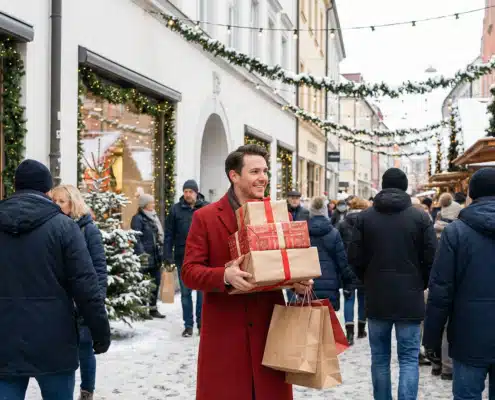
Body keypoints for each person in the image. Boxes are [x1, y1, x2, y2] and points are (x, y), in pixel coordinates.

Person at [182, 144, 312, 400]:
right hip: (225, 338)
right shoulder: (205, 217)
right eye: (254, 171)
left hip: (269, 333)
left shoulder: (279, 215)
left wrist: (298, 281)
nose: (263, 177)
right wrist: (224, 276)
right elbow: (188, 272)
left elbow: (288, 264)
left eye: (265, 171)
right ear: (234, 176)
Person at [0, 160, 110, 400]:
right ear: (48, 191)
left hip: (4, 338)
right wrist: (100, 330)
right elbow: (85, 284)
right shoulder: (64, 227)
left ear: (15, 186)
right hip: (54, 340)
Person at [348, 168, 437, 400]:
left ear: (383, 187)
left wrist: (368, 279)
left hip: (377, 295)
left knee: (380, 358)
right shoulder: (420, 218)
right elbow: (431, 259)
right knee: (409, 358)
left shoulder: (365, 218)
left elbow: (354, 257)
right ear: (405, 187)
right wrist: (420, 282)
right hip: (410, 295)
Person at [423, 168, 495, 400]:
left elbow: (440, 290)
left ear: (471, 195)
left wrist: (432, 338)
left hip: (468, 333)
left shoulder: (456, 232)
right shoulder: (456, 231)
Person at [52, 185, 107, 400]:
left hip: (83, 300)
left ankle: (87, 391)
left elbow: (99, 267)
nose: (56, 205)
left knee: (85, 348)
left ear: (72, 203)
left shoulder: (88, 230)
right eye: (54, 201)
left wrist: (97, 298)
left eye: (61, 201)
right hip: (62, 302)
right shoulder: (54, 227)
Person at [164, 179, 208, 337]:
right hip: (182, 257)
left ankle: (202, 324)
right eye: (185, 191)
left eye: (190, 191)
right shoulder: (175, 210)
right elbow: (169, 235)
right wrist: (167, 255)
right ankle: (188, 325)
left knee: (202, 293)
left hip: (203, 257)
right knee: (185, 293)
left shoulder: (206, 207)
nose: (187, 194)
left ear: (196, 192)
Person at [309, 196, 355, 312]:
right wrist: (348, 284)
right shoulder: (334, 233)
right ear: (325, 211)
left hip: (308, 286)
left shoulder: (303, 232)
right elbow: (342, 261)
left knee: (309, 325)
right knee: (328, 325)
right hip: (330, 285)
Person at [337, 196, 369, 345]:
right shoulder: (369, 223)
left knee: (349, 299)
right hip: (364, 267)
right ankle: (361, 329)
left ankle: (349, 334)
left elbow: (339, 247)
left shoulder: (343, 224)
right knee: (363, 299)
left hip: (348, 266)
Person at [131, 193, 165, 319]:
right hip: (145, 256)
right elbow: (136, 238)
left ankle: (153, 308)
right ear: (145, 205)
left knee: (155, 282)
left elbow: (158, 236)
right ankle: (141, 310)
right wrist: (142, 254)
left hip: (155, 256)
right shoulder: (138, 219)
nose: (153, 204)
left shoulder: (153, 217)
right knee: (143, 284)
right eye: (151, 202)